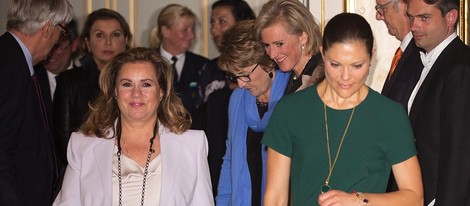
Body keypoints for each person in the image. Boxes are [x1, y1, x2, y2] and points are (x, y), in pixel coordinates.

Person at [262, 13, 423, 206]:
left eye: (357, 66)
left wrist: (357, 200)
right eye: (335, 65)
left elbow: (414, 197)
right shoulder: (290, 111)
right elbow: (275, 197)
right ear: (322, 53)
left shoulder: (390, 115)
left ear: (371, 56)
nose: (345, 77)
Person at [53, 47, 214, 205]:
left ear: (162, 91)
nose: (136, 93)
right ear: (115, 91)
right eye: (127, 84)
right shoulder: (83, 145)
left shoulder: (193, 144)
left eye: (146, 84)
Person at [0, 0, 73, 205]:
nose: (60, 39)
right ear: (48, 28)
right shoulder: (10, 67)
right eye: (62, 31)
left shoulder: (14, 58)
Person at [216, 20, 291, 206]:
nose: (240, 84)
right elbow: (230, 160)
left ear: (266, 63)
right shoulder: (238, 99)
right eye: (234, 76)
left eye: (245, 74)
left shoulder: (292, 95)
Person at [406, 0, 470, 205]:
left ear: (450, 18)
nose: (414, 26)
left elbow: (459, 152)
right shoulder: (428, 60)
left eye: (424, 18)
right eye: (411, 17)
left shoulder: (460, 67)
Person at [53, 8, 131, 176]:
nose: (108, 42)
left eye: (116, 35)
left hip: (132, 168)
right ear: (87, 42)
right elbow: (64, 141)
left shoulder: (139, 81)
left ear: (126, 40)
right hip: (84, 170)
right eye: (100, 35)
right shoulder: (69, 82)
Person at [191, 0, 256, 197]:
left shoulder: (261, 69)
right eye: (212, 23)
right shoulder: (208, 68)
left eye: (222, 21)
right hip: (216, 153)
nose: (215, 29)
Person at [150, 4, 209, 115]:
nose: (192, 35)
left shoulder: (204, 65)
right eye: (185, 30)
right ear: (166, 31)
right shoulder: (146, 62)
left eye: (193, 29)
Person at [256, 0, 324, 95]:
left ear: (303, 38)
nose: (272, 55)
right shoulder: (289, 76)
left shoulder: (322, 76)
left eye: (279, 44)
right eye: (266, 45)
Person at [376, 0, 423, 110]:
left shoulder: (421, 56)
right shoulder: (404, 53)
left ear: (405, 6)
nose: (378, 16)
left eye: (383, 8)